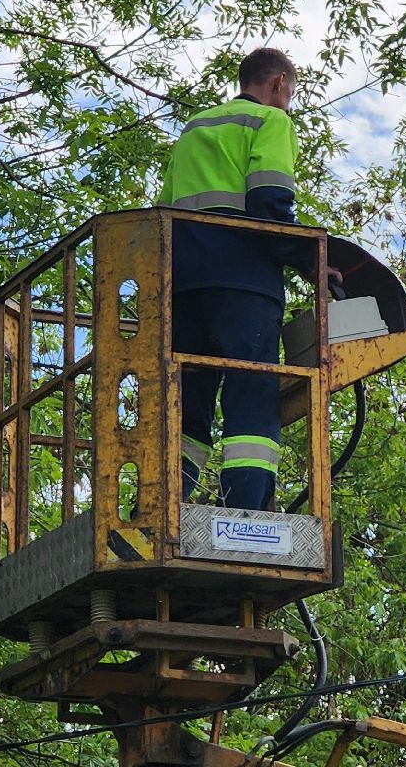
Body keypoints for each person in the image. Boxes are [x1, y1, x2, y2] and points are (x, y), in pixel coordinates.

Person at [158, 48, 336, 510]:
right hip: (244, 285)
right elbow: (271, 205)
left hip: (182, 285)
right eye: (291, 93)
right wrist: (314, 264)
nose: (290, 103)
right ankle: (248, 514)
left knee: (188, 402)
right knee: (252, 392)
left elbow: (161, 215)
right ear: (278, 82)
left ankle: (164, 506)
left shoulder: (195, 127)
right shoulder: (271, 122)